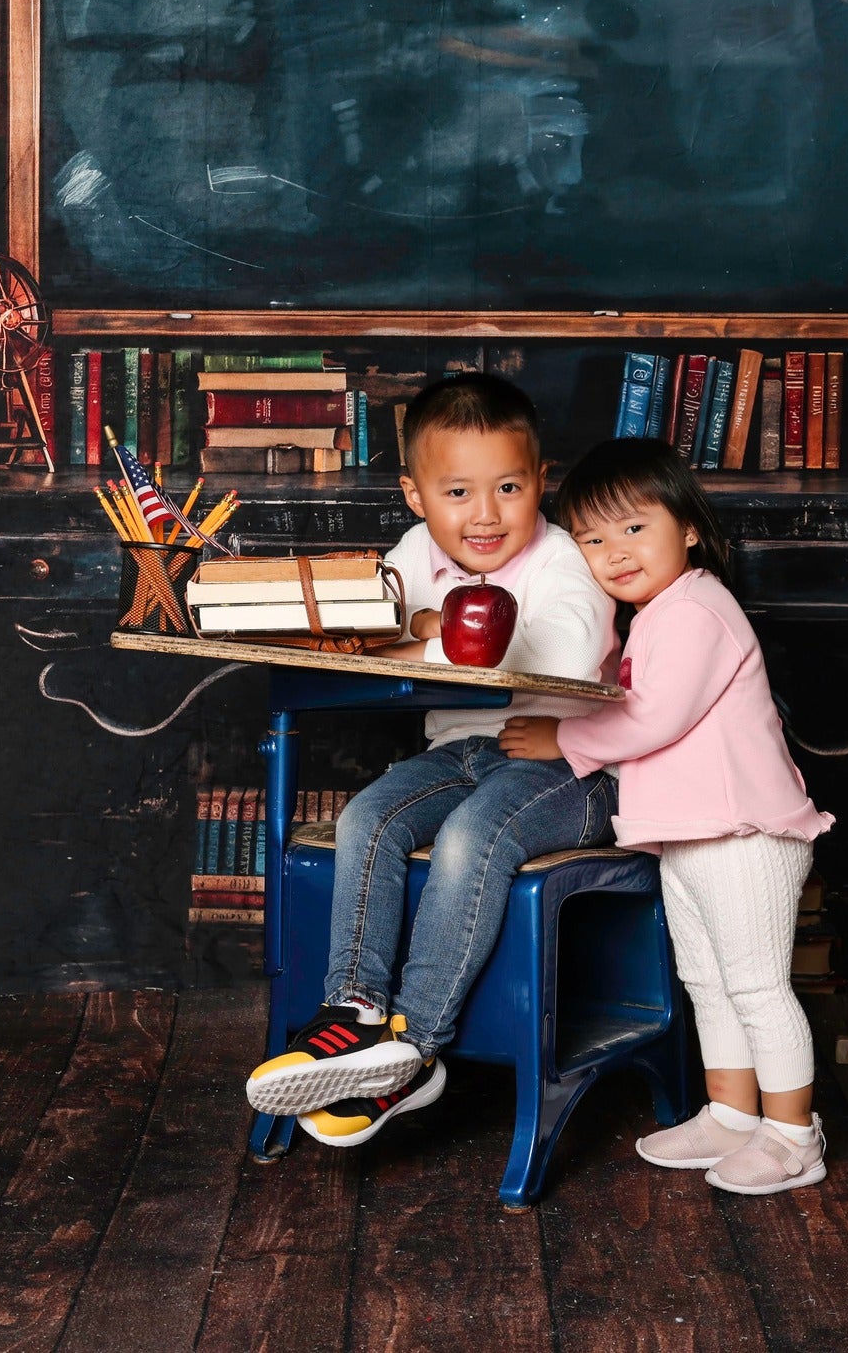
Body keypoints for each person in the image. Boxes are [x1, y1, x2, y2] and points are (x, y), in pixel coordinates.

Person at [243, 373, 618, 1146]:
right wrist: (414, 629)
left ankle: (414, 1050)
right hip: (462, 752)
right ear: (416, 496)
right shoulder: (416, 550)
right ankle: (353, 1014)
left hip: (573, 765)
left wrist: (422, 633)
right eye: (457, 492)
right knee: (367, 818)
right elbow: (358, 629)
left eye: (509, 487)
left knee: (470, 836)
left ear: (541, 482)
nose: (485, 515)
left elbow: (563, 660)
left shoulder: (564, 561)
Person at [499, 437, 836, 1195]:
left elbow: (656, 719)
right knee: (707, 983)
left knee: (755, 987)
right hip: (693, 836)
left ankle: (793, 1136)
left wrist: (562, 738)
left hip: (744, 833)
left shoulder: (696, 609)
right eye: (592, 539)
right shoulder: (659, 614)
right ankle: (733, 1116)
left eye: (633, 527)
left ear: (686, 527)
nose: (614, 552)